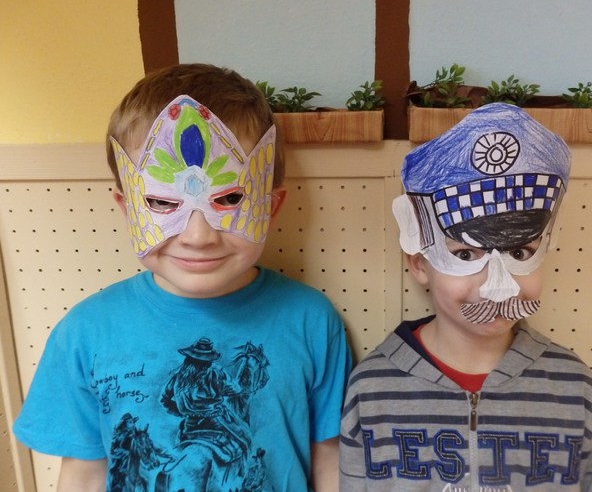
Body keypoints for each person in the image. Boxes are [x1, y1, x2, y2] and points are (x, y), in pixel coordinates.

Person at [14, 63, 352, 492]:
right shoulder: (84, 332)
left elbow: (330, 462)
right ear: (126, 207)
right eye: (161, 202)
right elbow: (83, 474)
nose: (198, 236)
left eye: (229, 198)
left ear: (271, 206)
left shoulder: (310, 320)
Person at [340, 103, 592, 491]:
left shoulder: (575, 390)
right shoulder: (373, 389)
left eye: (519, 252)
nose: (497, 285)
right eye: (466, 256)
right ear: (420, 264)